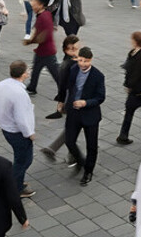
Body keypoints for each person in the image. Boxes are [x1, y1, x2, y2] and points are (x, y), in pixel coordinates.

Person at [45, 46, 105, 185]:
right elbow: (68, 87)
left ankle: (88, 171)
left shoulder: (98, 76)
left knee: (92, 146)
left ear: (91, 60)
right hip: (73, 113)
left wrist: (85, 103)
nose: (83, 64)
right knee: (69, 141)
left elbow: (100, 97)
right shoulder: (73, 69)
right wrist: (63, 102)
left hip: (90, 115)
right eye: (81, 60)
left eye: (86, 61)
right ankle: (80, 161)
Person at [0, 60, 37, 197]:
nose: (29, 72)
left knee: (20, 159)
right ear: (24, 74)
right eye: (27, 71)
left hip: (6, 127)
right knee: (24, 160)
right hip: (17, 132)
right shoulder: (20, 93)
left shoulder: (1, 85)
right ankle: (15, 187)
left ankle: (17, 181)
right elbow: (21, 118)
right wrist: (29, 133)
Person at [24, 0, 62, 97]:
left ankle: (63, 90)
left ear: (41, 5)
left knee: (55, 73)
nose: (33, 7)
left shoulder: (43, 17)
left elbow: (44, 35)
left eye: (35, 5)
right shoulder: (44, 14)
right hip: (42, 50)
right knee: (36, 69)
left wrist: (30, 41)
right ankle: (32, 87)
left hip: (47, 51)